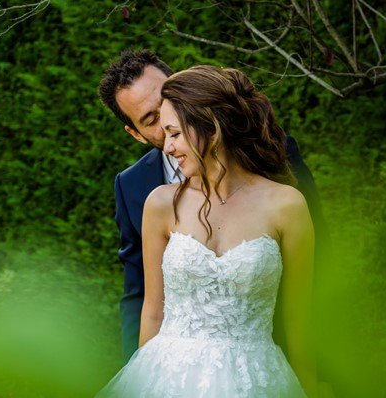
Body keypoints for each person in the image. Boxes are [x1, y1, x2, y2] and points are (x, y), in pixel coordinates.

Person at [0, 65, 316, 398]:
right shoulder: (158, 203)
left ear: (210, 123)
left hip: (255, 380)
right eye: (157, 130)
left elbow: (302, 323)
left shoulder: (286, 204)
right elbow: (149, 307)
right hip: (168, 379)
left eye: (173, 131)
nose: (166, 145)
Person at [101, 50, 326, 361]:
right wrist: (135, 371)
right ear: (136, 134)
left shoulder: (276, 153)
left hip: (263, 358)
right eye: (152, 119)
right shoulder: (135, 188)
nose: (167, 118)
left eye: (167, 99)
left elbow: (317, 264)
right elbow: (140, 294)